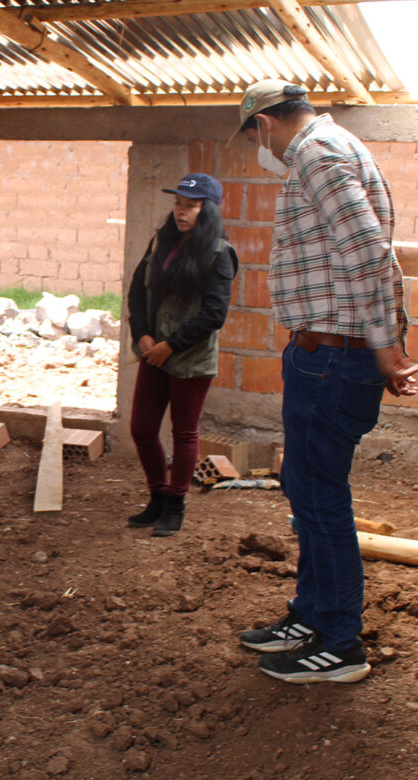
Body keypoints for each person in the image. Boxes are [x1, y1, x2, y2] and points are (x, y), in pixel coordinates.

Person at [233, 80, 417, 683]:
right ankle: (312, 615)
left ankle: (340, 643)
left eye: (254, 137)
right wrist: (383, 342)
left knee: (319, 495)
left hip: (334, 356)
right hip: (330, 351)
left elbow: (367, 252)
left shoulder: (316, 152)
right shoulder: (336, 147)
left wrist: (386, 346)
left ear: (264, 123)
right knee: (307, 486)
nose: (261, 149)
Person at [127, 173, 238, 537]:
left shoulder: (220, 254)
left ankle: (176, 504)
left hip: (189, 357)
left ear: (208, 211)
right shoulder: (161, 241)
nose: (181, 211)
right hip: (154, 351)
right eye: (178, 203)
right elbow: (137, 291)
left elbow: (214, 314)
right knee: (142, 429)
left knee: (184, 432)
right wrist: (142, 335)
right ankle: (158, 496)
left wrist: (170, 346)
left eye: (191, 206)